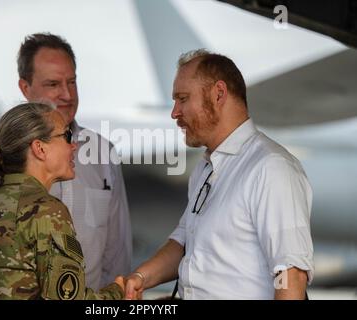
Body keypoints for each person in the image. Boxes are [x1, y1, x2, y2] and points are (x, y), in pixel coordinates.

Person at [0, 33, 132, 298]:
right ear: (25, 88)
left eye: (72, 82)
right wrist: (117, 295)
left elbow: (117, 254)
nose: (67, 94)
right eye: (53, 84)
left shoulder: (103, 153)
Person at [125, 50, 314, 300]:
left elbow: (291, 276)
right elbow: (183, 242)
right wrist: (140, 278)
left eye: (182, 99)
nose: (175, 113)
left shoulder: (271, 168)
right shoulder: (205, 170)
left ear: (219, 94)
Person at [0, 102, 124, 299]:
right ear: (39, 148)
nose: (74, 145)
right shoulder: (45, 211)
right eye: (67, 136)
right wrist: (117, 293)